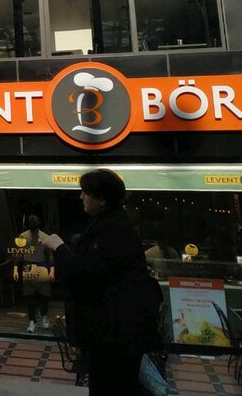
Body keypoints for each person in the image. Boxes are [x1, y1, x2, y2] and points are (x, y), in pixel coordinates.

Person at [41, 169, 162, 396]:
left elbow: (87, 273)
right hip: (111, 332)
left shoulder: (113, 230)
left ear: (103, 199)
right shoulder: (108, 224)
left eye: (86, 192)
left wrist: (59, 247)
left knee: (111, 386)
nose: (81, 197)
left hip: (114, 335)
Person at [12, 214, 54, 333]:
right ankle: (32, 320)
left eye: (34, 221)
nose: (32, 223)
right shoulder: (23, 236)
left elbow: (50, 255)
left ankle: (43, 314)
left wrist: (52, 270)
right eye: (30, 221)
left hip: (42, 266)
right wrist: (15, 268)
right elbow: (18, 253)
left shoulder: (45, 237)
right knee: (29, 296)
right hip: (28, 266)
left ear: (39, 222)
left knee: (45, 294)